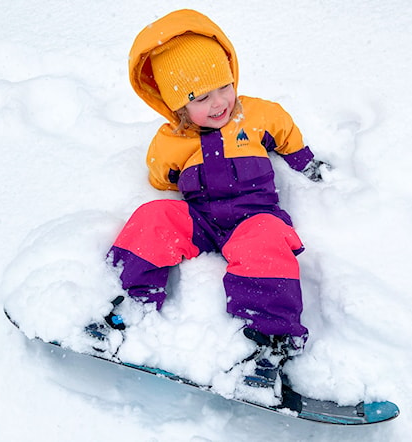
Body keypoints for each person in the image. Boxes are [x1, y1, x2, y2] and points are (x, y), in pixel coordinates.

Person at [100, 9, 328, 385]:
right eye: (202, 97)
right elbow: (160, 177)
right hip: (202, 222)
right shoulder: (171, 140)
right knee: (154, 216)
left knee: (268, 244)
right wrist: (169, 160)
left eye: (225, 86)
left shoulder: (258, 115)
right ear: (179, 106)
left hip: (254, 219)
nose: (220, 102)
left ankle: (271, 339)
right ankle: (131, 300)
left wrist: (305, 162)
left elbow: (285, 130)